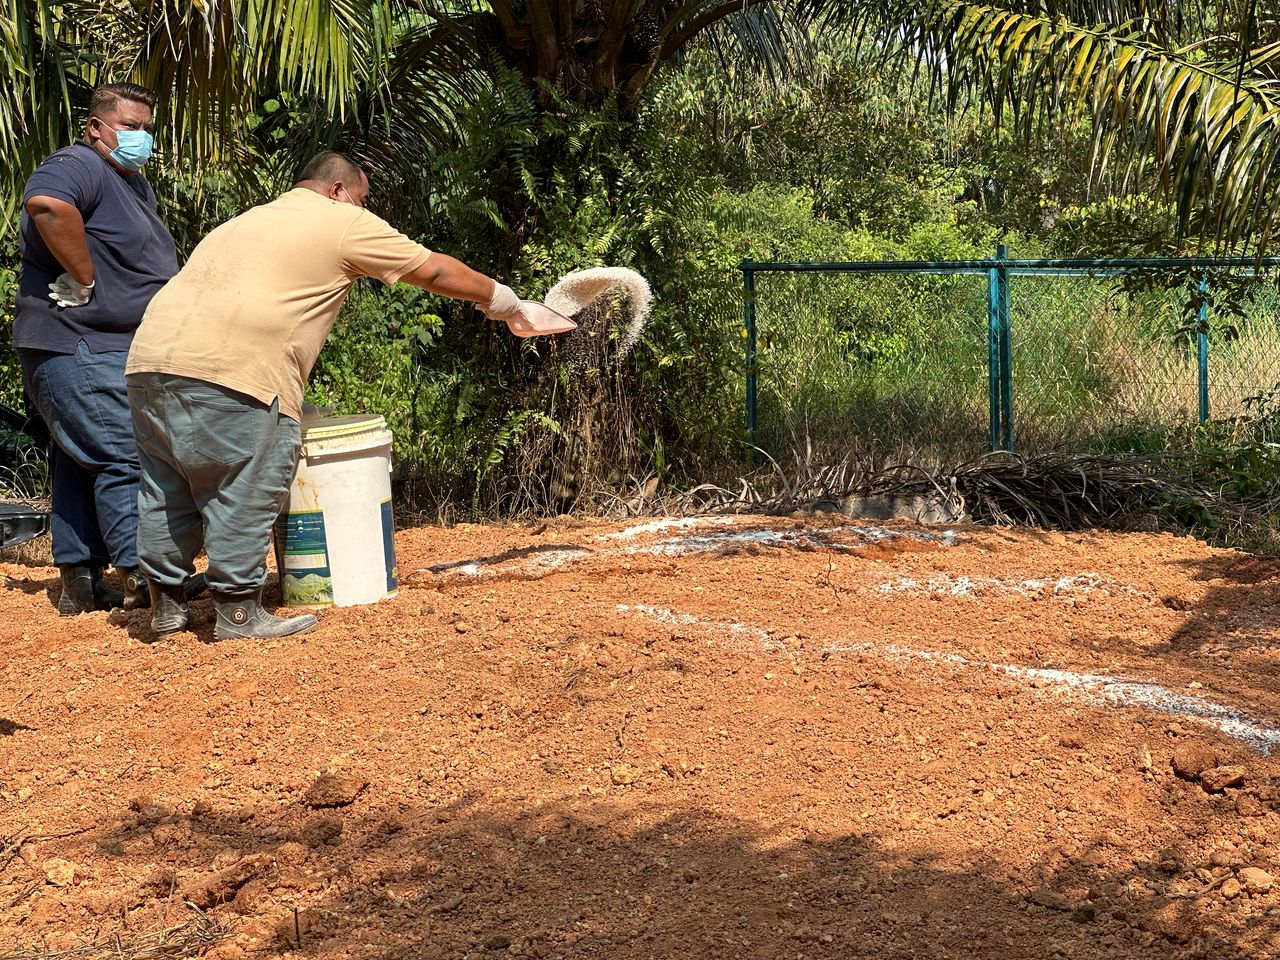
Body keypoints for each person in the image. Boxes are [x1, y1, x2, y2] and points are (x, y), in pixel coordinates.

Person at [126, 151, 569, 642]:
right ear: (338, 191)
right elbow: (435, 271)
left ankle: (166, 608)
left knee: (167, 486)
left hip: (149, 362)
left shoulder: (245, 220)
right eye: (361, 200)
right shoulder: (339, 221)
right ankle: (237, 614)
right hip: (236, 369)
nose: (363, 210)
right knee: (246, 484)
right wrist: (505, 303)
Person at [15, 82, 181, 615]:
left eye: (148, 130)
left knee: (77, 458)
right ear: (96, 128)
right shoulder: (79, 164)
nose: (142, 139)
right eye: (130, 127)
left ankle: (82, 582)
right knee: (123, 454)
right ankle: (145, 578)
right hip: (81, 343)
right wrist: (82, 278)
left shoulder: (130, 183)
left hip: (102, 345)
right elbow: (46, 204)